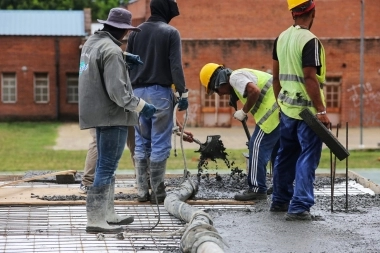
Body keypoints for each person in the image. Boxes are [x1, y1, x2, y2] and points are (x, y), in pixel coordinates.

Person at [78, 7, 157, 234]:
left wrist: (122, 58)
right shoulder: (111, 51)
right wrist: (142, 106)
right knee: (107, 166)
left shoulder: (91, 44)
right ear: (122, 30)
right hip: (113, 115)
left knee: (106, 164)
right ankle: (96, 219)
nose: (127, 36)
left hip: (96, 112)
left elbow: (94, 66)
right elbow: (119, 94)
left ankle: (107, 214)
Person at [271, 0, 330, 221]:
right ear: (312, 12)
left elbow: (276, 78)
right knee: (308, 155)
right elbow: (309, 77)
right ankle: (299, 206)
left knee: (285, 154)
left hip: (286, 108)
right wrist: (321, 111)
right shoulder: (310, 41)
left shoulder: (281, 38)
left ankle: (280, 200)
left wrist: (280, 104)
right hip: (307, 112)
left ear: (293, 14)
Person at [127, 0, 188, 204]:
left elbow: (127, 64)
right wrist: (182, 92)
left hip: (137, 94)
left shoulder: (135, 32)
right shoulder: (170, 32)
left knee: (141, 142)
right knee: (160, 142)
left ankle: (142, 192)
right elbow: (176, 67)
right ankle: (158, 192)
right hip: (160, 93)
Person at [199, 63, 280, 201]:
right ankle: (281, 186)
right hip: (282, 111)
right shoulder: (237, 79)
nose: (219, 94)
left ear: (219, 80)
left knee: (256, 147)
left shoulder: (235, 77)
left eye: (216, 90)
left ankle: (257, 189)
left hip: (272, 114)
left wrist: (244, 111)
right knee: (277, 153)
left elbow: (254, 91)